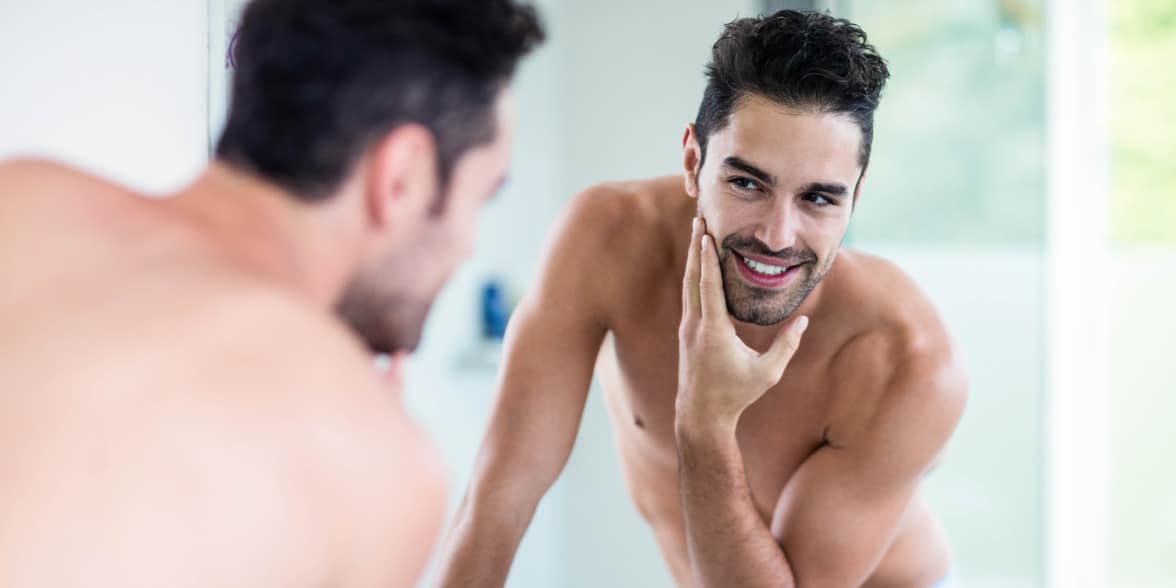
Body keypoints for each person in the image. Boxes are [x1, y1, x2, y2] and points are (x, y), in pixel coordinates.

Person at [0, 1, 543, 586]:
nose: (467, 246)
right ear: (402, 176)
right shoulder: (373, 462)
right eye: (481, 197)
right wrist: (362, 428)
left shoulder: (25, 197)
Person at [437, 10, 966, 588]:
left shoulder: (905, 360)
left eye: (818, 199)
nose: (776, 235)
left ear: (856, 196)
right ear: (693, 160)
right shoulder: (608, 241)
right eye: (747, 183)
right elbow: (499, 496)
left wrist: (706, 422)